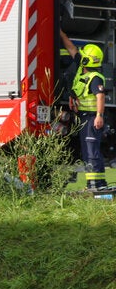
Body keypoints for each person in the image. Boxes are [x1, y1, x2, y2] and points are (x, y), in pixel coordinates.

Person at [60, 29, 107, 189]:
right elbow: (71, 48)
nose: (79, 55)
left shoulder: (94, 78)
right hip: (84, 118)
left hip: (92, 118)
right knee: (87, 151)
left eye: (83, 54)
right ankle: (93, 183)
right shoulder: (83, 68)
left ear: (87, 60)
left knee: (91, 151)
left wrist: (99, 116)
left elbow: (100, 97)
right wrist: (60, 33)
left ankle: (97, 184)